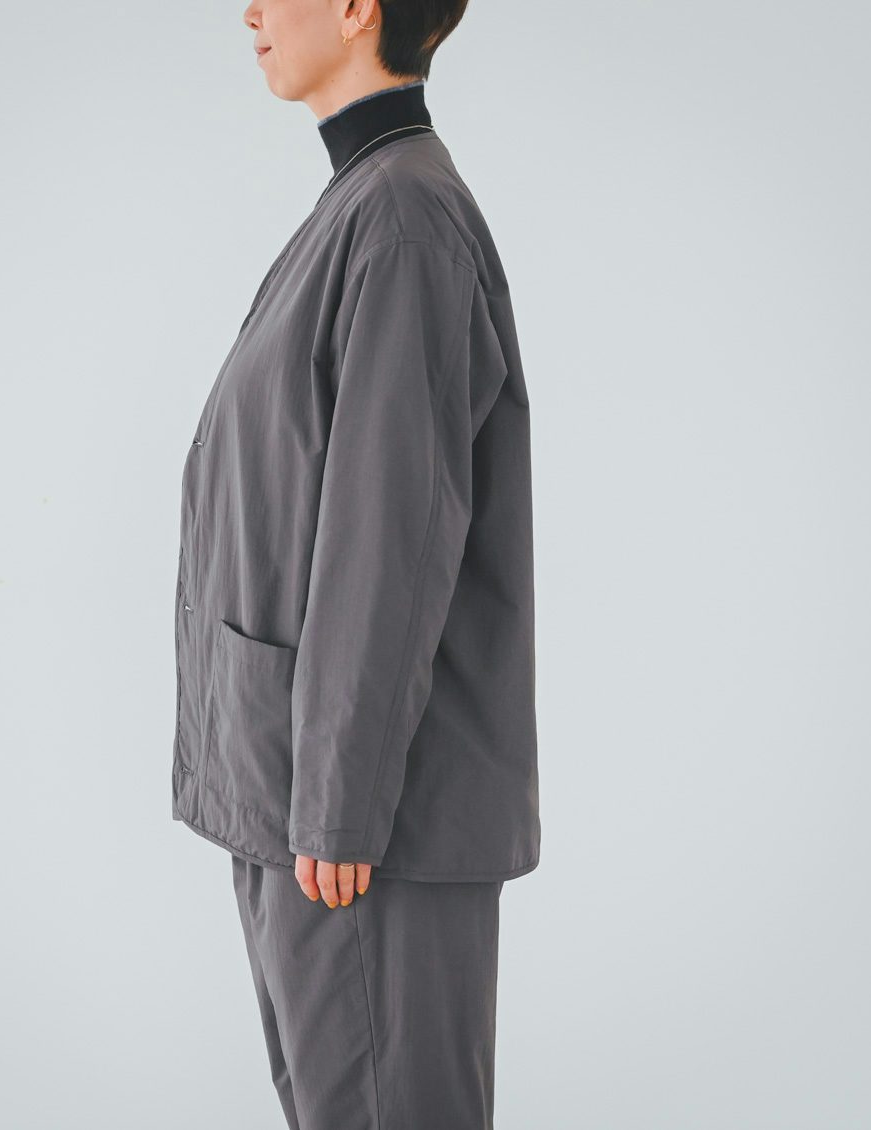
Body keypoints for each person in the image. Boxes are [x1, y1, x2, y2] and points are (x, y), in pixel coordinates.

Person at [171, 2, 541, 1126]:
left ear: (355, 8)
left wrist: (338, 806)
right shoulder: (363, 205)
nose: (248, 10)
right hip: (294, 795)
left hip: (362, 822)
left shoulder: (404, 223)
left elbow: (390, 533)